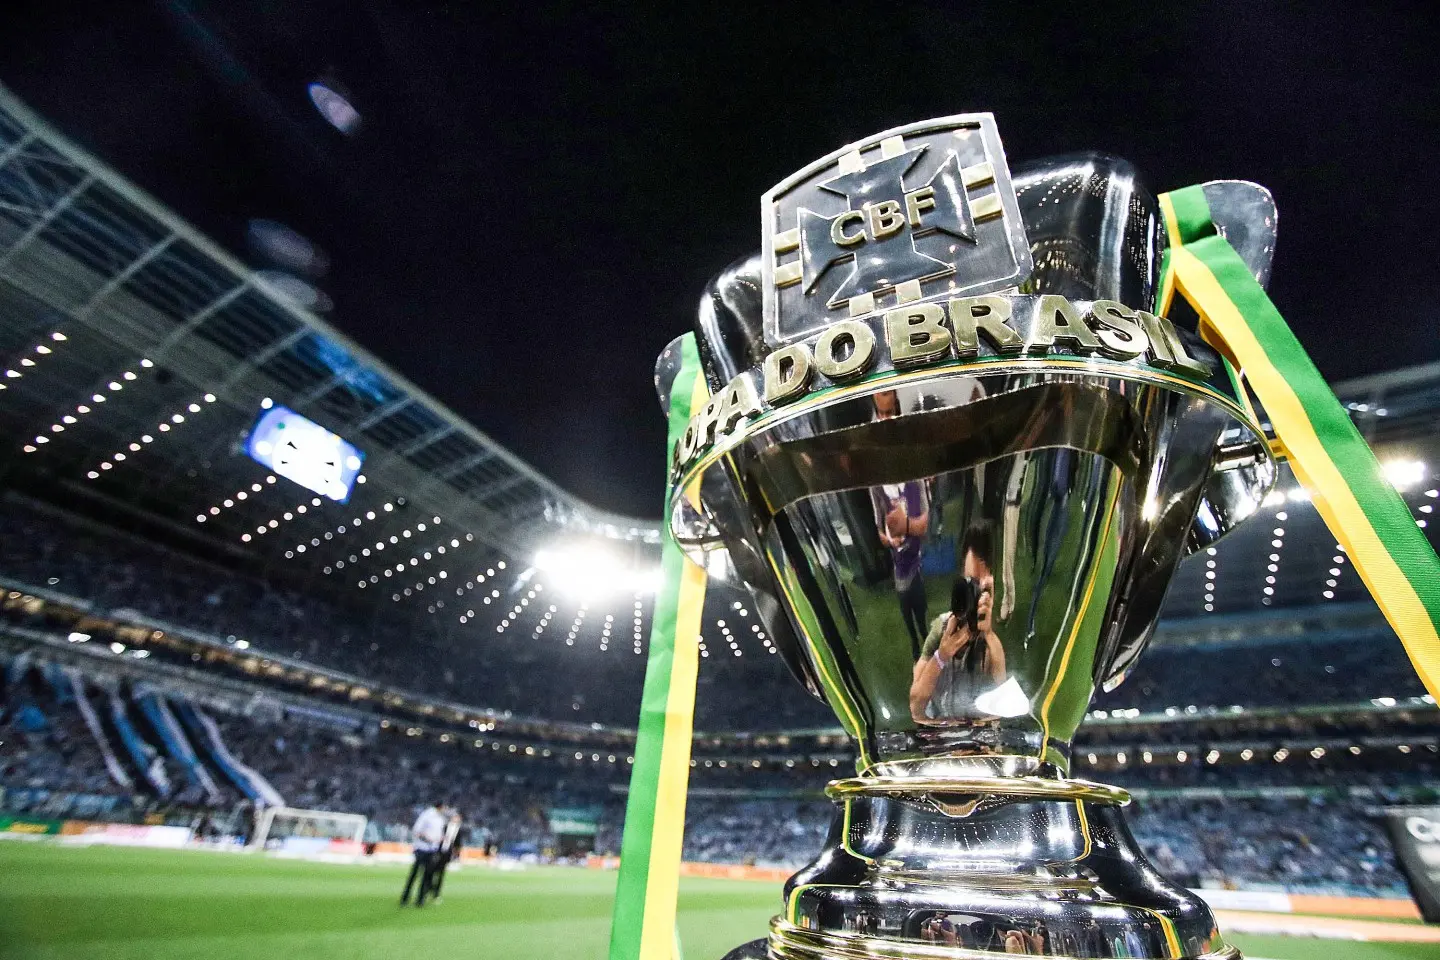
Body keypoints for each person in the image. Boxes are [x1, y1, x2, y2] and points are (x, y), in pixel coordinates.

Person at [909, 522, 1006, 722]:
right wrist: (941, 656)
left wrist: (987, 634)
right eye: (968, 583)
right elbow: (915, 706)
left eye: (979, 586)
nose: (972, 593)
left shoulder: (990, 644)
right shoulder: (942, 628)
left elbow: (1001, 710)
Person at [871, 389, 931, 659]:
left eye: (889, 413)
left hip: (919, 561)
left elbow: (925, 524)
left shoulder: (914, 469)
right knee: (906, 609)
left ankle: (926, 643)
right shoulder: (875, 481)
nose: (884, 420)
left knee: (920, 608)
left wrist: (905, 526)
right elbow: (880, 532)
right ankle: (916, 645)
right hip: (899, 563)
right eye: (880, 414)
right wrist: (889, 538)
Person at [400, 800, 448, 906]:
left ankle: (420, 899)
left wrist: (440, 839)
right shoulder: (427, 815)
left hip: (432, 850)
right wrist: (428, 839)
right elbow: (417, 831)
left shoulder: (440, 819)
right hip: (422, 848)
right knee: (415, 874)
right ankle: (405, 898)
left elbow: (438, 834)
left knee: (427, 875)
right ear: (440, 807)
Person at [423, 809, 463, 903]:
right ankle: (428, 888)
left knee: (441, 874)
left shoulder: (459, 830)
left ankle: (436, 893)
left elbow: (458, 844)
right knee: (431, 871)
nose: (457, 819)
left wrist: (456, 856)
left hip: (447, 854)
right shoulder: (444, 826)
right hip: (437, 851)